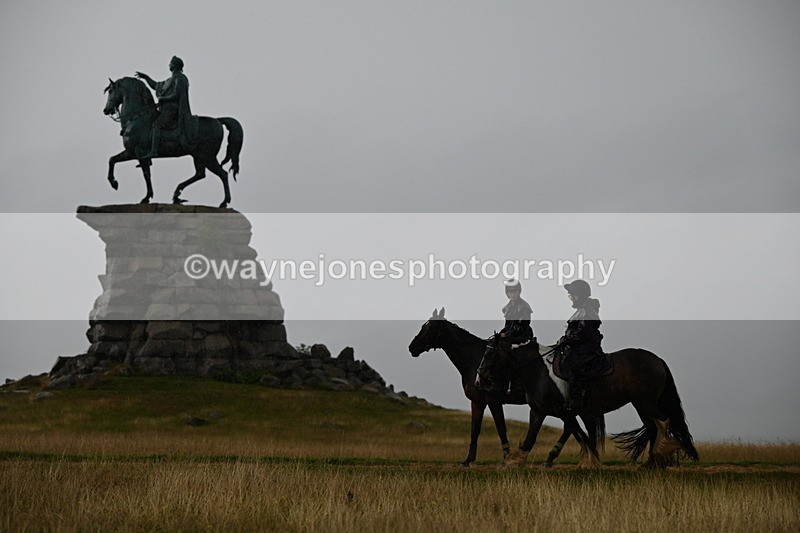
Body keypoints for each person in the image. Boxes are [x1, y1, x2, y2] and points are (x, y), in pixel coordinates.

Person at [478, 279, 536, 393]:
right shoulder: (507, 308)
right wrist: (500, 334)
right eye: (510, 292)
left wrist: (507, 335)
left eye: (515, 291)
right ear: (507, 294)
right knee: (492, 346)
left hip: (523, 336)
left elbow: (522, 325)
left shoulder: (525, 307)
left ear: (519, 292)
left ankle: (512, 383)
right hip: (511, 336)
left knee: (506, 351)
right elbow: (508, 325)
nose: (512, 294)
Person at [557, 279, 605, 411]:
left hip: (587, 349)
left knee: (570, 362)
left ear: (580, 295)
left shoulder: (587, 310)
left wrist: (568, 339)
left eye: (572, 294)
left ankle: (576, 399)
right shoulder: (583, 309)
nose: (571, 298)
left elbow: (584, 332)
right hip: (581, 346)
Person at [135, 56, 193, 159]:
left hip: (173, 110)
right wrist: (146, 78)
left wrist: (163, 99)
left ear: (175, 65)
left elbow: (176, 95)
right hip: (164, 109)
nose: (169, 65)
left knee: (157, 124)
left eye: (170, 63)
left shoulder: (180, 78)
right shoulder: (169, 80)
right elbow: (156, 85)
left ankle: (154, 151)